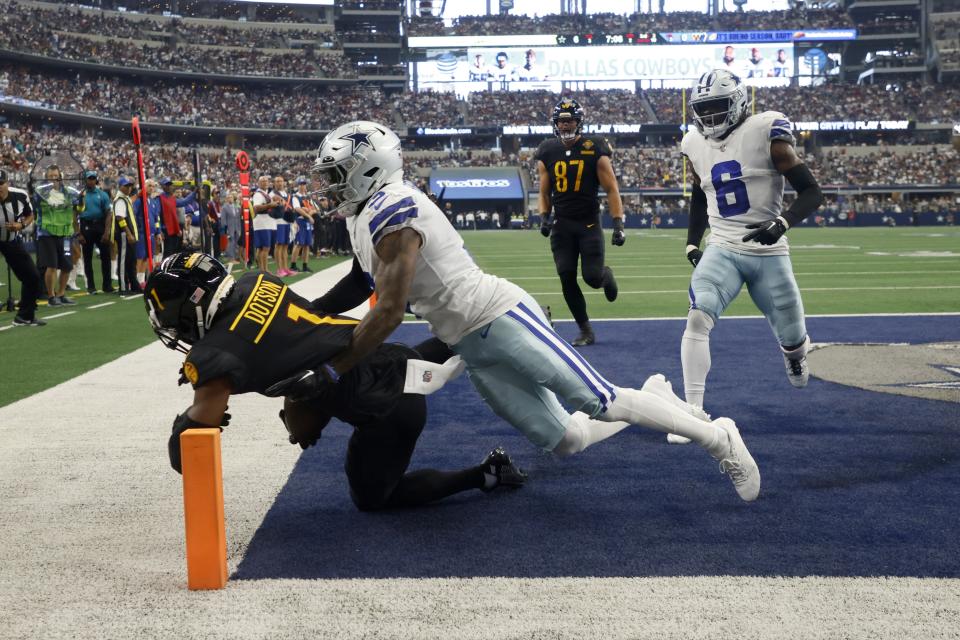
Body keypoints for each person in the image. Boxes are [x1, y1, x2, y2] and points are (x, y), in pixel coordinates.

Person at [309, 120, 761, 502]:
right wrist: (304, 311)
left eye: (337, 174)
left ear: (369, 169)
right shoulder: (365, 213)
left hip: (498, 317)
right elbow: (358, 280)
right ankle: (655, 394)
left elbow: (387, 312)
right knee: (567, 440)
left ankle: (719, 438)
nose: (329, 185)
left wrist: (331, 370)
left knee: (602, 403)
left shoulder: (394, 208)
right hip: (468, 341)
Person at [143, 252, 527, 511]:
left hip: (386, 408)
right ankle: (492, 327)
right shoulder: (256, 281)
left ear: (192, 301)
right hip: (380, 354)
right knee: (373, 370)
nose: (170, 323)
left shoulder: (214, 357)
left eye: (170, 311)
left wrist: (185, 424)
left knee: (374, 500)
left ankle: (486, 473)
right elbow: (298, 336)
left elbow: (188, 455)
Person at [673, 69, 823, 444]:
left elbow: (811, 192)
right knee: (697, 317)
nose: (709, 117)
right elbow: (700, 192)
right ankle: (693, 412)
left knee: (793, 336)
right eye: (703, 109)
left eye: (717, 107)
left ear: (738, 102)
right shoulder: (693, 142)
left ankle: (794, 354)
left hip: (768, 249)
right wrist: (694, 241)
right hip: (722, 245)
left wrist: (781, 223)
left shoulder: (766, 132)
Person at [535, 98, 625, 346]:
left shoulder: (594, 147)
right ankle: (585, 330)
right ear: (556, 124)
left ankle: (605, 276)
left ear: (578, 122)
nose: (565, 126)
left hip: (588, 223)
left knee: (591, 278)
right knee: (566, 277)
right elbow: (543, 192)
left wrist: (618, 224)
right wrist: (544, 216)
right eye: (561, 121)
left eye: (569, 121)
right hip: (562, 225)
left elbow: (612, 189)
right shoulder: (547, 150)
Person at [0, 170, 45, 326]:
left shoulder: (20, 195)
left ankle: (25, 316)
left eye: (1, 183)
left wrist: (21, 225)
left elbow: (30, 215)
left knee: (32, 277)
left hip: (12, 241)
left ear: (7, 183)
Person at [32, 165, 78, 306]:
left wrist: (81, 199)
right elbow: (42, 203)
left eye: (55, 175)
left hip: (65, 234)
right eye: (50, 176)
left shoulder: (70, 192)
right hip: (47, 233)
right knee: (51, 266)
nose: (53, 178)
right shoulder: (40, 192)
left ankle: (61, 294)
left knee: (67, 266)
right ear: (46, 177)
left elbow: (80, 204)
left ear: (60, 176)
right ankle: (51, 297)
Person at [77, 170, 114, 294]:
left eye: (93, 178)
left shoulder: (102, 194)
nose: (91, 181)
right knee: (87, 259)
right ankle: (91, 287)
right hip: (85, 226)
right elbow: (74, 215)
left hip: (100, 225)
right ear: (85, 180)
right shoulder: (81, 195)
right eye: (89, 179)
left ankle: (107, 285)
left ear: (96, 180)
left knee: (106, 257)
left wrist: (107, 231)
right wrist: (79, 233)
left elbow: (108, 213)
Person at [112, 177, 140, 294]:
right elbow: (120, 218)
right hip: (124, 234)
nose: (129, 188)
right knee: (124, 261)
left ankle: (134, 285)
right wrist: (128, 234)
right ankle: (123, 287)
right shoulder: (120, 200)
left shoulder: (126, 198)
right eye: (126, 186)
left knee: (131, 260)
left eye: (130, 186)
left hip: (129, 234)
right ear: (120, 186)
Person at [157, 177, 195, 258]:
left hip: (174, 229)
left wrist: (194, 192)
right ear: (164, 187)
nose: (171, 187)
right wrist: (159, 230)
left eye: (171, 185)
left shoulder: (172, 198)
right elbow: (156, 216)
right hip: (165, 230)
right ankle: (165, 269)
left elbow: (184, 202)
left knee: (174, 251)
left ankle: (172, 269)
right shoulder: (159, 198)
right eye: (168, 185)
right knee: (168, 252)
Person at [251, 175, 276, 273]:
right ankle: (264, 270)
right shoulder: (258, 194)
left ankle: (262, 270)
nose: (265, 183)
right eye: (262, 181)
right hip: (262, 223)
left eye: (266, 181)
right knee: (265, 247)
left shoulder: (266, 193)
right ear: (258, 183)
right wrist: (270, 205)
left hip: (265, 223)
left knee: (261, 247)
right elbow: (256, 208)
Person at [290, 178, 315, 273]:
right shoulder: (295, 196)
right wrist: (308, 214)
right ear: (298, 185)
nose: (302, 186)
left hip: (307, 221)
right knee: (299, 243)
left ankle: (305, 265)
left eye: (304, 184)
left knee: (307, 244)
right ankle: (293, 265)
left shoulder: (308, 196)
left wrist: (308, 212)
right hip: (300, 221)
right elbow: (297, 209)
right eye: (301, 184)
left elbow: (314, 208)